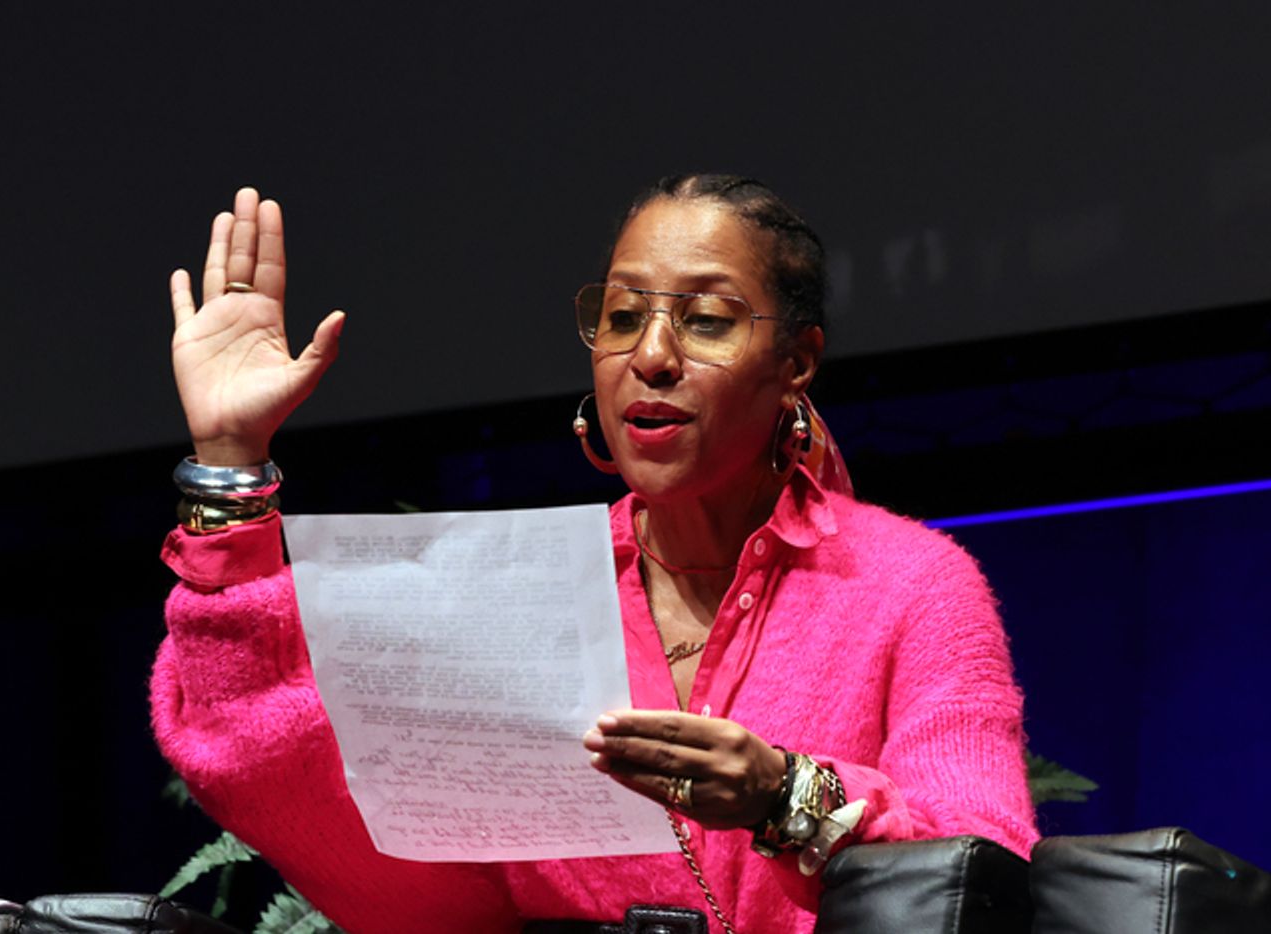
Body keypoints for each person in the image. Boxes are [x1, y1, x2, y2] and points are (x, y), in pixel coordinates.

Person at [154, 178, 1039, 933]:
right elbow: (275, 764)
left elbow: (984, 871)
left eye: (707, 319)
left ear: (795, 361)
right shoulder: (514, 596)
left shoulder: (909, 585)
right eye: (622, 316)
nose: (650, 356)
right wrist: (230, 460)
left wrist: (787, 797)